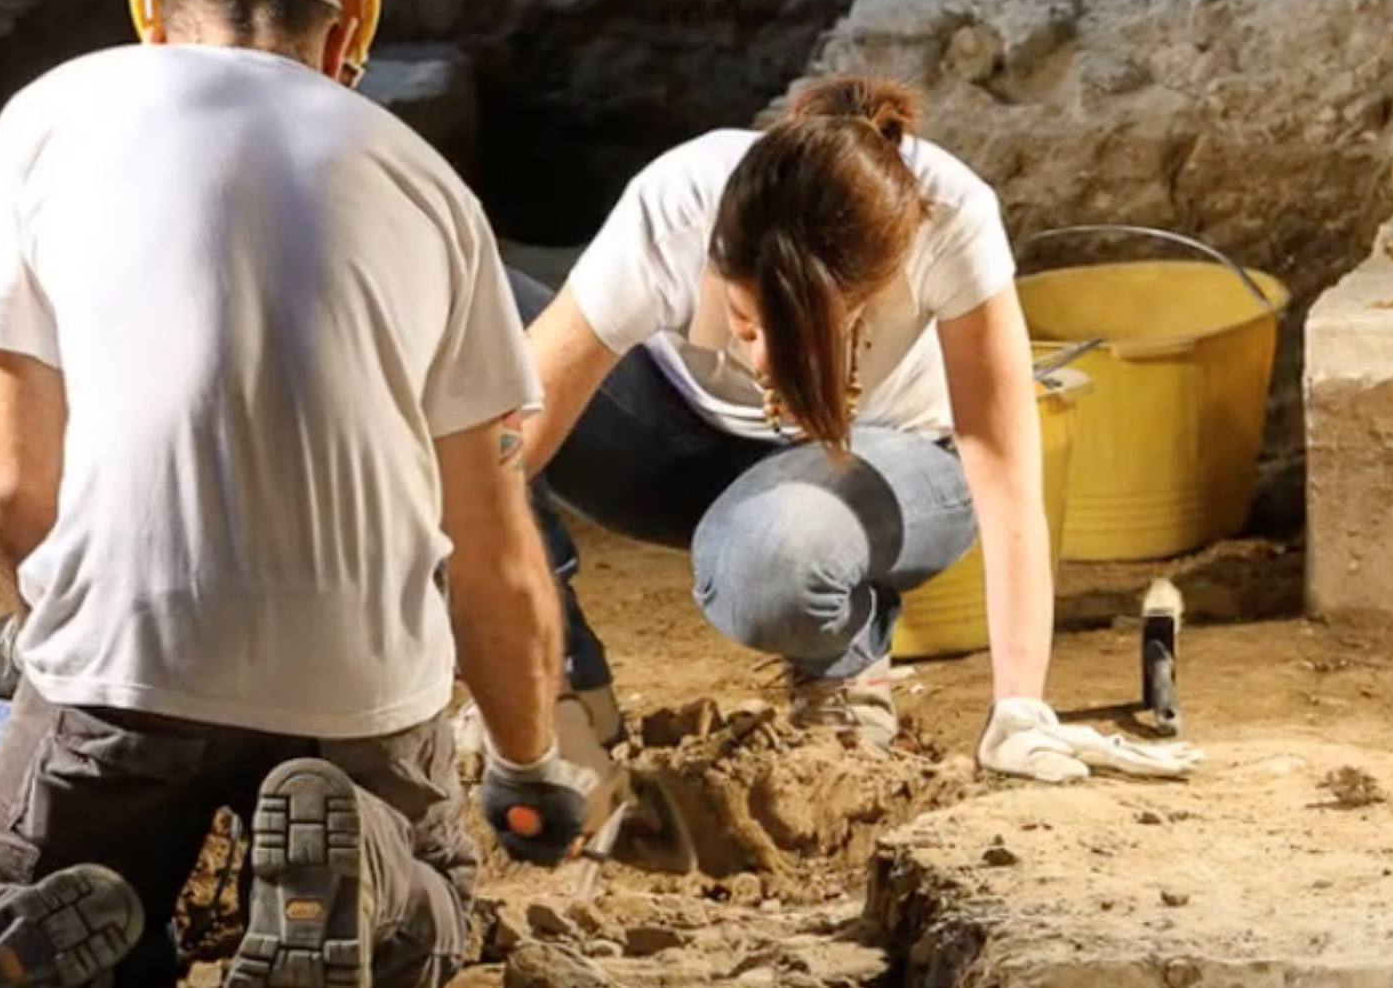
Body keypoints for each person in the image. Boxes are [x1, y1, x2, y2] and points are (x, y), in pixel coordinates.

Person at [0, 0, 606, 986]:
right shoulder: (433, 190)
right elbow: (495, 552)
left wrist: (48, 633)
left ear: (155, 20)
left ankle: (28, 914)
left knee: (23, 885)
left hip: (127, 662)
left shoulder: (50, 117)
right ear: (341, 40)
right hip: (359, 690)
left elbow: (15, 488)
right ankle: (377, 873)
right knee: (435, 902)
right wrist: (525, 759)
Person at [505, 74, 1201, 783]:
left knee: (771, 565)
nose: (763, 362)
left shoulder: (948, 217)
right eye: (744, 323)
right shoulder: (676, 208)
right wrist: (518, 664)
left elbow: (1002, 469)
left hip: (882, 462)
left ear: (866, 297)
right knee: (472, 338)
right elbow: (500, 445)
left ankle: (844, 665)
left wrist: (1019, 707)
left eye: (796, 338)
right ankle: (570, 690)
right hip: (674, 442)